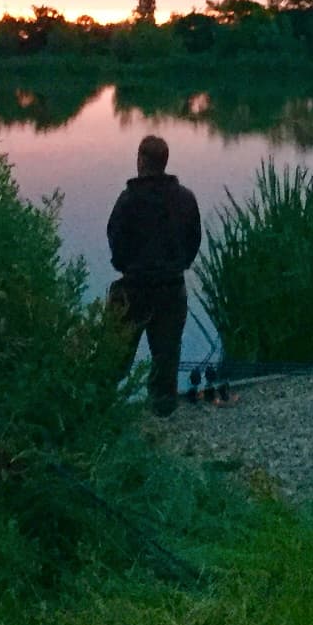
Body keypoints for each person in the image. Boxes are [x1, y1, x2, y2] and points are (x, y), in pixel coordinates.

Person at [106, 135, 202, 416]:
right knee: (166, 355)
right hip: (172, 289)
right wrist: (179, 264)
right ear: (164, 162)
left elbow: (115, 239)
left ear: (140, 160)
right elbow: (193, 240)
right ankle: (162, 412)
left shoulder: (128, 200)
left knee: (115, 356)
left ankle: (102, 410)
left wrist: (125, 266)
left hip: (133, 288)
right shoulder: (185, 198)